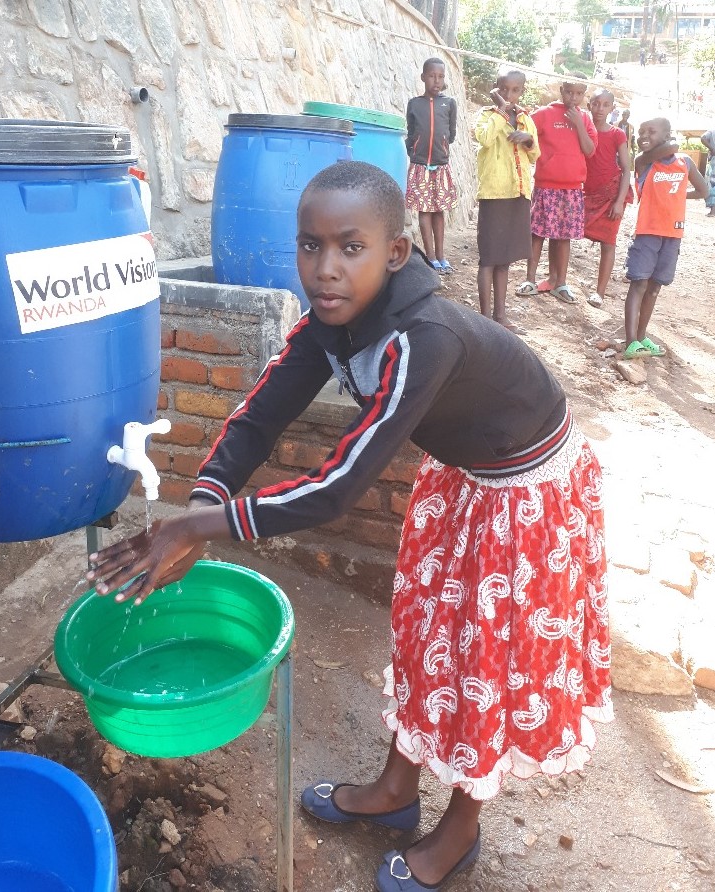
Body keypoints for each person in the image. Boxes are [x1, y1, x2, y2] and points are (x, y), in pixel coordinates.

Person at [86, 160, 613, 892]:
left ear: (395, 252)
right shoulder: (335, 321)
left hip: (524, 493)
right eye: (309, 246)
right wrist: (201, 503)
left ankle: (460, 826)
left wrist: (199, 528)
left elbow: (335, 490)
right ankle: (396, 789)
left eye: (348, 247)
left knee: (482, 660)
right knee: (427, 634)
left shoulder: (422, 337)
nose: (324, 269)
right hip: (463, 478)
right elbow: (260, 414)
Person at [622, 118, 708, 359]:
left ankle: (641, 336)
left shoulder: (685, 163)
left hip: (672, 235)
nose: (643, 136)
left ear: (667, 134)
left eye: (651, 131)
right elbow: (669, 148)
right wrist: (671, 142)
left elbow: (704, 191)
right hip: (647, 233)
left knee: (655, 287)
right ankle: (630, 342)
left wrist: (679, 196)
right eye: (640, 132)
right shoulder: (643, 162)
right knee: (639, 283)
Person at [516, 81, 597, 304]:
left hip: (572, 188)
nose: (573, 97)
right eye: (569, 92)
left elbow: (590, 150)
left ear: (583, 95)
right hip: (546, 185)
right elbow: (527, 138)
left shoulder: (585, 118)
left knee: (563, 237)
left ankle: (560, 283)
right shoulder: (544, 114)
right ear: (561, 91)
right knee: (538, 233)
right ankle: (530, 280)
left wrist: (579, 124)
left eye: (579, 93)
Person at [474, 67, 540, 333]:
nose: (509, 95)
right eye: (504, 89)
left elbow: (535, 155)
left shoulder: (526, 119)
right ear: (496, 88)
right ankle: (485, 317)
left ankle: (500, 315)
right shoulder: (486, 116)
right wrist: (501, 111)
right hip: (494, 194)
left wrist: (528, 140)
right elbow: (485, 139)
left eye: (515, 90)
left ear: (522, 91)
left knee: (504, 260)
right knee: (488, 258)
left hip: (518, 193)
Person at [405, 57, 459, 273]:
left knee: (439, 211)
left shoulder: (449, 104)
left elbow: (451, 134)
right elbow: (411, 132)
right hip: (420, 167)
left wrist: (443, 147)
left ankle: (442, 256)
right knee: (424, 212)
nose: (436, 81)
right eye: (432, 76)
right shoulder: (414, 104)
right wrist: (415, 150)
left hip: (441, 166)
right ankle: (430, 257)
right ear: (423, 77)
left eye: (441, 77)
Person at [583, 89, 633, 307]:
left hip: (611, 194)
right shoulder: (582, 132)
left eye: (605, 105)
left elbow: (626, 168)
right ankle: (558, 280)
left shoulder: (616, 134)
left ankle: (599, 293)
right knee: (563, 235)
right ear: (589, 105)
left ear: (612, 108)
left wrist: (620, 200)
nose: (599, 109)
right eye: (595, 104)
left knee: (608, 243)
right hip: (585, 193)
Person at [701, 127, 715, 217]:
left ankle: (713, 211)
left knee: (712, 184)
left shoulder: (712, 131)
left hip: (713, 163)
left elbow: (703, 138)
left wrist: (712, 149)